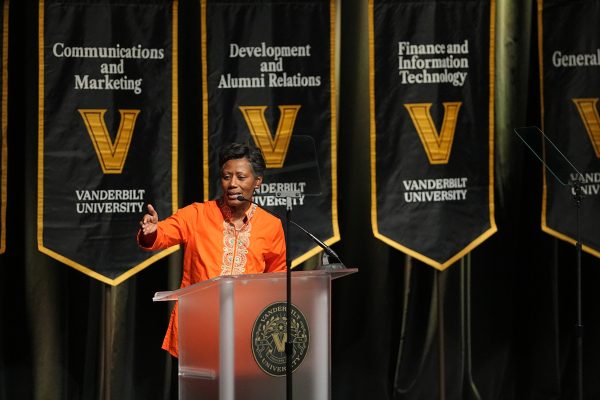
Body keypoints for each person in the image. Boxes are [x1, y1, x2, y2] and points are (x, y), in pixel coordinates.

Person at [137, 142, 287, 357]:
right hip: (197, 328)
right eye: (226, 177)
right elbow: (161, 235)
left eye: (241, 177)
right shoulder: (197, 214)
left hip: (248, 333)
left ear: (257, 181)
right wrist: (151, 231)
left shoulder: (271, 225)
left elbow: (277, 279)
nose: (232, 184)